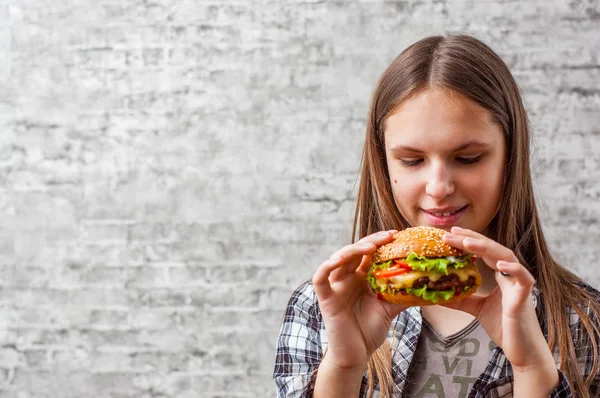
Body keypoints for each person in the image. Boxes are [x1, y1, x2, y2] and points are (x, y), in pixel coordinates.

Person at [273, 34, 600, 397]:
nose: (438, 187)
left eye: (468, 158)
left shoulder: (583, 322)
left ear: (510, 157)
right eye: (411, 161)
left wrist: (532, 368)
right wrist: (343, 367)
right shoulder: (319, 308)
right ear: (383, 165)